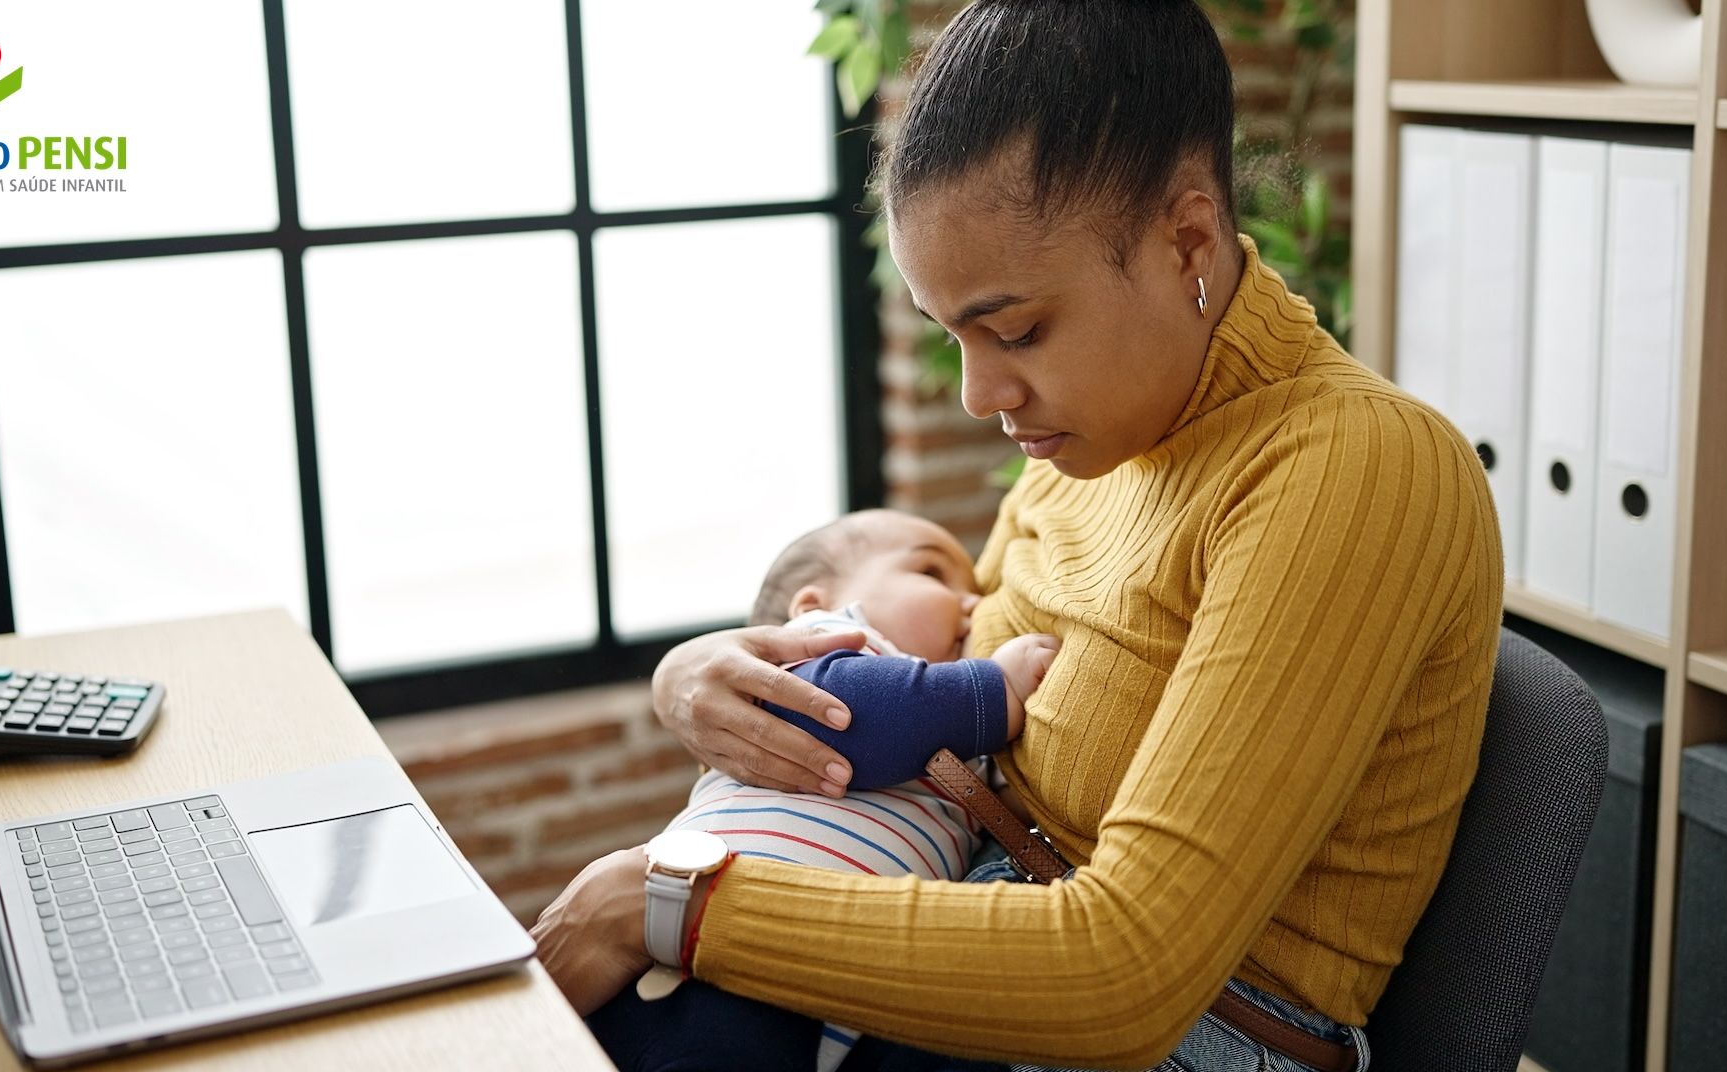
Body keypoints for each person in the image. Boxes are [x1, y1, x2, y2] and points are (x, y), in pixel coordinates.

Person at [531, 1, 1504, 1068]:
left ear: (1186, 240)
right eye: (952, 334)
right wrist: (697, 676)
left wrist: (667, 904)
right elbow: (949, 657)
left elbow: (1126, 976)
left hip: (1177, 1027)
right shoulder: (1100, 434)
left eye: (1017, 330)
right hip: (971, 907)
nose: (978, 392)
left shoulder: (1352, 467)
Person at [584, 508, 1060, 1072]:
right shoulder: (816, 656)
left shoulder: (959, 737)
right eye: (932, 573)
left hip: (826, 987)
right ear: (814, 605)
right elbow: (855, 717)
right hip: (709, 960)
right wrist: (995, 688)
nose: (973, 603)